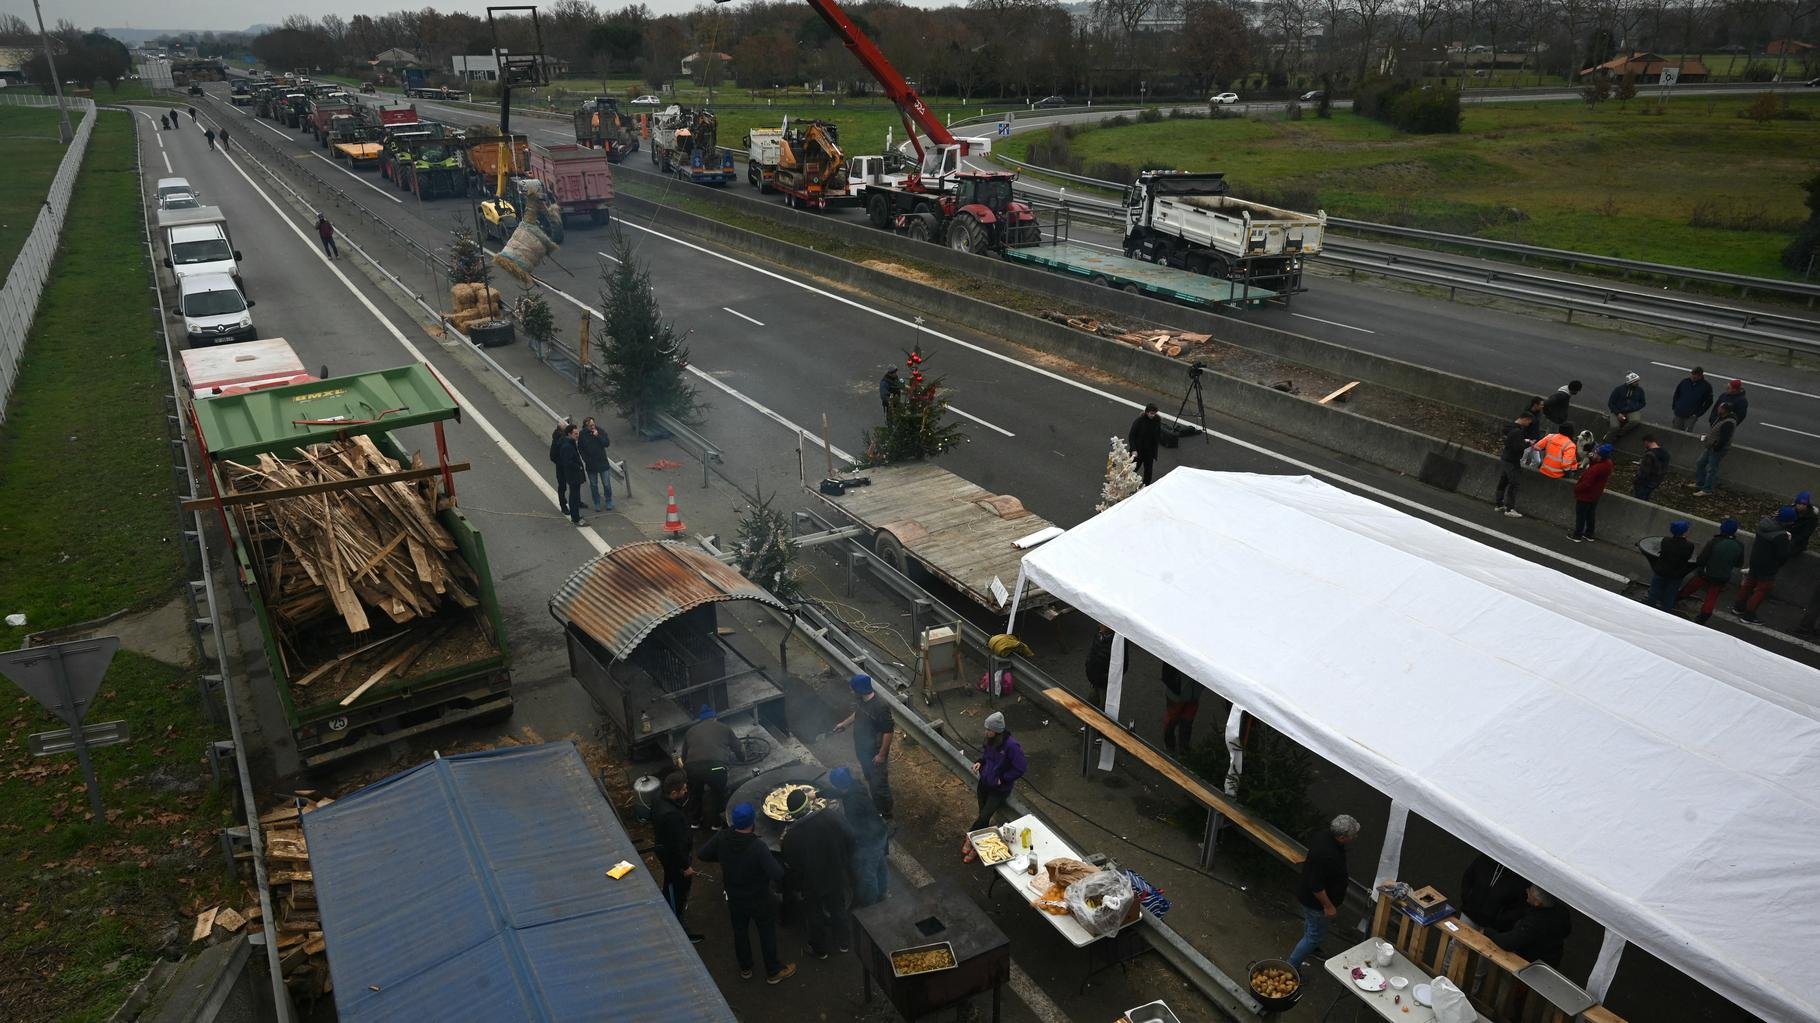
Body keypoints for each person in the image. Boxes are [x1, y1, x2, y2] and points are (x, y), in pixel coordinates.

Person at [698, 803, 795, 984]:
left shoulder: (722, 837)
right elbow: (777, 874)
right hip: (759, 898)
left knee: (740, 932)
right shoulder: (758, 847)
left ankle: (745, 968)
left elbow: (702, 854)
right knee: (766, 932)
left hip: (735, 897)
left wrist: (723, 858)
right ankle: (773, 971)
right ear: (752, 823)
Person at [780, 799, 854, 959]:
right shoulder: (829, 816)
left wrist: (797, 884)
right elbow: (849, 835)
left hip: (810, 884)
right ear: (808, 806)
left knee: (814, 916)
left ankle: (820, 950)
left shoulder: (791, 836)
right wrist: (843, 859)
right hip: (834, 874)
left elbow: (790, 863)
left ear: (791, 815)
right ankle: (844, 942)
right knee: (837, 908)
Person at [1287, 814, 1360, 968]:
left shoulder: (1324, 836)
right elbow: (1317, 886)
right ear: (1341, 837)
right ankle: (1291, 966)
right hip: (1316, 903)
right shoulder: (1327, 855)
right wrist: (1328, 906)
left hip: (1306, 895)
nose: (1356, 837)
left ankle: (1310, 948)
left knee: (1311, 924)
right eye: (1353, 835)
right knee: (1314, 936)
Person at [652, 772, 705, 943]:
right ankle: (678, 926)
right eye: (683, 790)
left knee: (677, 886)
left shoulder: (660, 800)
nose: (686, 792)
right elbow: (673, 846)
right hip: (674, 861)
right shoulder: (670, 816)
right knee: (676, 888)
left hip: (673, 854)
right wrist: (685, 866)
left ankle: (677, 905)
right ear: (673, 793)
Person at [832, 674, 893, 819]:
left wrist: (882, 755)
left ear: (860, 690)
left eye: (853, 689)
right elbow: (858, 713)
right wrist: (844, 724)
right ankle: (876, 804)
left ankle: (886, 815)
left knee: (879, 785)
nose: (851, 692)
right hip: (863, 750)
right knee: (870, 779)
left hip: (875, 753)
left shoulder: (880, 707)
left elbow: (888, 732)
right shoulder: (861, 700)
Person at [830, 767, 889, 907]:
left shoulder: (852, 802)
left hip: (870, 839)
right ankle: (884, 892)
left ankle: (871, 906)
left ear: (840, 785)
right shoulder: (855, 786)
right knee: (880, 864)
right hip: (880, 832)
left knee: (867, 875)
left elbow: (853, 827)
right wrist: (819, 794)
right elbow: (839, 793)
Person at [681, 705, 741, 829]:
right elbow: (738, 748)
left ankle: (695, 822)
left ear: (701, 720)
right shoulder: (724, 728)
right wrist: (742, 758)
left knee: (695, 794)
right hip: (716, 768)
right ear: (715, 718)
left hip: (693, 768)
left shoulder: (691, 731)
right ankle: (716, 824)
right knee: (718, 794)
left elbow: (683, 756)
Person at [1733, 506, 1797, 624]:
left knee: (1748, 584)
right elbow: (1783, 555)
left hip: (1755, 560)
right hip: (1768, 566)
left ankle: (1738, 607)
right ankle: (1749, 615)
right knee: (1762, 590)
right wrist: (1789, 542)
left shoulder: (1764, 525)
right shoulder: (1781, 536)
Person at [1484, 885, 1572, 969]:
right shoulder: (1561, 911)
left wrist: (1488, 932)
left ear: (1537, 902)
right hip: (1552, 959)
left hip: (1534, 965)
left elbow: (1509, 942)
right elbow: (1567, 931)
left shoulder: (1535, 922)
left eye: (1530, 891)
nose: (1527, 890)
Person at [1677, 518, 1745, 625]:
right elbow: (1739, 564)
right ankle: (1703, 617)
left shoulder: (1714, 542)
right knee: (1712, 597)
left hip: (1706, 574)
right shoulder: (1739, 545)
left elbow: (1701, 560)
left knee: (1692, 585)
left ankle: (1678, 598)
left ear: (1721, 529)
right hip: (1722, 577)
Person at [970, 711, 1026, 830]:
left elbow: (1020, 768)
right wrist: (980, 762)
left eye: (989, 730)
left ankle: (969, 839)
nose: (986, 732)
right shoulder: (989, 740)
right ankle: (981, 840)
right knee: (982, 815)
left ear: (997, 731)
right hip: (984, 783)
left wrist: (1003, 779)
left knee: (984, 816)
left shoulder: (1011, 746)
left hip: (999, 789)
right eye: (986, 729)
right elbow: (986, 755)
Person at [1459, 854, 1529, 934]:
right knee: (1456, 943)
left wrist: (1499, 922)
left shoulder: (1520, 878)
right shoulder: (1484, 859)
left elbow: (1519, 907)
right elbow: (1468, 878)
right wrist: (1467, 900)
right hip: (1469, 914)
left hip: (1492, 927)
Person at [1644, 520, 1697, 611]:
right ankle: (1665, 612)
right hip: (1675, 575)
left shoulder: (1665, 540)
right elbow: (1687, 558)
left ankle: (1648, 609)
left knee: (1654, 592)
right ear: (1685, 532)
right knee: (1670, 596)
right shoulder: (1689, 545)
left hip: (1661, 571)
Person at [1566, 443, 1613, 543]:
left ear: (1601, 456)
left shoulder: (1596, 469)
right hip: (1595, 494)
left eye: (1596, 453)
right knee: (1590, 514)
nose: (1594, 454)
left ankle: (1577, 535)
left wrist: (1577, 488)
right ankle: (1589, 534)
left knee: (1581, 515)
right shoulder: (1608, 464)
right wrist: (1592, 460)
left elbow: (1586, 483)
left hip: (1586, 495)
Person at [1494, 411, 1533, 517]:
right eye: (1529, 421)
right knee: (1514, 483)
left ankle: (1498, 504)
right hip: (1512, 461)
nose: (1529, 424)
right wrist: (1527, 443)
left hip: (1506, 458)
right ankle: (1509, 509)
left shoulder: (1510, 428)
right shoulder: (1518, 432)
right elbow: (1518, 447)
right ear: (1525, 419)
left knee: (1504, 481)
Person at [1692, 405, 1736, 496]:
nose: (1718, 409)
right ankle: (1700, 483)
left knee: (1712, 469)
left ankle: (1707, 489)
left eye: (1720, 408)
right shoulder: (1721, 419)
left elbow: (1724, 438)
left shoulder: (1728, 423)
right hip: (1711, 447)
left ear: (1724, 410)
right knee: (1700, 463)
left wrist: (1716, 447)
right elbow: (1717, 433)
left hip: (1717, 449)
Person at [1160, 662, 1200, 754]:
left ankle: (1184, 747)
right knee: (1172, 718)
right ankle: (1169, 745)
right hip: (1178, 687)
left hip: (1194, 690)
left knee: (1188, 720)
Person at [578, 416, 613, 512]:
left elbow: (606, 443)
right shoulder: (582, 434)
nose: (592, 427)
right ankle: (596, 502)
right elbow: (580, 448)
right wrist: (586, 459)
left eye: (593, 424)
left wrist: (598, 436)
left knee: (606, 484)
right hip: (591, 464)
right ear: (586, 426)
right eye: (590, 426)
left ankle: (608, 500)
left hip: (602, 462)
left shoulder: (600, 431)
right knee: (593, 485)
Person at [554, 423, 586, 526]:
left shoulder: (569, 443)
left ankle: (576, 515)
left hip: (574, 475)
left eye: (578, 433)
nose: (577, 435)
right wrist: (578, 467)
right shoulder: (567, 446)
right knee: (574, 497)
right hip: (573, 475)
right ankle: (575, 518)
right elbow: (568, 462)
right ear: (569, 434)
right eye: (575, 434)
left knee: (575, 496)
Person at [1084, 623, 1121, 707]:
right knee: (1091, 701)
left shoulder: (1118, 642)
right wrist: (1088, 664)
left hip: (1105, 682)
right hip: (1094, 677)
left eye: (1103, 624)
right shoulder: (1099, 633)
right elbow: (1092, 650)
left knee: (1104, 706)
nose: (1099, 625)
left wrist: (1108, 677)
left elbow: (1122, 665)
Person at [1126, 403, 1163, 485]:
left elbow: (1157, 435)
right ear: (1147, 412)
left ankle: (1146, 487)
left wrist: (1154, 452)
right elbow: (1132, 436)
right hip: (1138, 451)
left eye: (1154, 413)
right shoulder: (1139, 421)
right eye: (1151, 413)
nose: (1153, 415)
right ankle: (1125, 484)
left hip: (1149, 452)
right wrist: (1134, 449)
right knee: (1132, 469)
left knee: (1148, 472)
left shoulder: (1157, 421)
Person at [1605, 372, 1645, 441]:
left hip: (1631, 410)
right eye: (1635, 382)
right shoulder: (1618, 389)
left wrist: (1634, 407)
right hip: (1618, 410)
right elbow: (1611, 403)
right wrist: (1617, 413)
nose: (1637, 383)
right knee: (1614, 427)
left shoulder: (1640, 390)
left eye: (1637, 381)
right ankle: (1607, 439)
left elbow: (1643, 403)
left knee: (1635, 420)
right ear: (1630, 383)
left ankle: (1619, 434)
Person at [1631, 435, 1669, 500]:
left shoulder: (1649, 455)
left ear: (1646, 442)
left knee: (1639, 499)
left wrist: (1636, 481)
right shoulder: (1665, 453)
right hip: (1656, 481)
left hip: (1645, 482)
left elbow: (1644, 472)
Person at [1790, 491, 1816, 555]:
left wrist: (1792, 540)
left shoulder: (1811, 518)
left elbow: (1805, 534)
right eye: (1799, 503)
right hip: (1786, 536)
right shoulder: (1791, 510)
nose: (1800, 506)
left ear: (1807, 505)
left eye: (1803, 504)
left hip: (1798, 543)